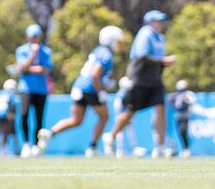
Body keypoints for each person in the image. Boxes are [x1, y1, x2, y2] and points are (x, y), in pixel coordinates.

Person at [37, 26, 125, 157]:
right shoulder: (106, 54)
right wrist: (100, 91)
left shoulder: (98, 50)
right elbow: (95, 75)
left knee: (76, 120)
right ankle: (93, 147)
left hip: (79, 86)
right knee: (104, 116)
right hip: (90, 88)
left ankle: (50, 133)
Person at [105, 10, 176, 158]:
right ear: (150, 22)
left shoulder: (160, 38)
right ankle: (111, 137)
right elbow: (142, 57)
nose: (161, 23)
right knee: (131, 110)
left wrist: (163, 64)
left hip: (155, 80)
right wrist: (163, 61)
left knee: (160, 108)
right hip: (140, 79)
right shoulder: (145, 33)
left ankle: (160, 146)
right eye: (158, 20)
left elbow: (157, 60)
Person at [15, 23, 52, 157]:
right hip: (26, 89)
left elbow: (45, 70)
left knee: (39, 119)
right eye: (32, 36)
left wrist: (28, 69)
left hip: (41, 90)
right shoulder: (21, 50)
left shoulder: (46, 51)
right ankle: (26, 144)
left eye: (36, 36)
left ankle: (37, 146)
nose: (34, 39)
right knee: (24, 115)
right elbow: (21, 68)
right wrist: (33, 54)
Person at [0, 79, 18, 155]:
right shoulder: (11, 94)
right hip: (6, 114)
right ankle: (3, 148)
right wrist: (11, 114)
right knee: (7, 131)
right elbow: (12, 105)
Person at [169, 79, 196, 157]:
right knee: (179, 132)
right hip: (178, 114)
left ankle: (186, 149)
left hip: (185, 114)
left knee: (183, 130)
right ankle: (175, 149)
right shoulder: (175, 95)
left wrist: (186, 100)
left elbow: (192, 102)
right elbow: (171, 102)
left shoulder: (188, 94)